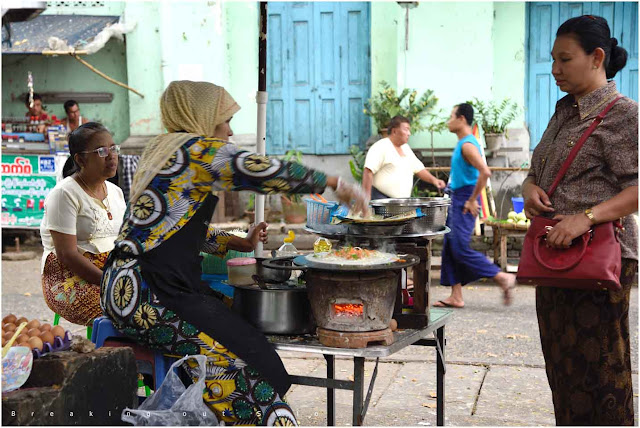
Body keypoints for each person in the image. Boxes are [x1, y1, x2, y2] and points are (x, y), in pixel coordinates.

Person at [100, 81, 369, 425]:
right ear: (202, 116)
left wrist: (232, 242)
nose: (230, 130)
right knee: (245, 362)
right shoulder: (197, 150)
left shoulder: (162, 150)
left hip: (126, 288)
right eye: (224, 120)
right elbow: (257, 168)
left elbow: (172, 226)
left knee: (242, 328)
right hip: (150, 297)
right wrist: (333, 184)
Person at [522, 15, 637, 425]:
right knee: (563, 372)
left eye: (565, 60)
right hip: (552, 259)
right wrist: (529, 187)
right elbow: (540, 169)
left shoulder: (623, 115)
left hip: (599, 262)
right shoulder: (563, 112)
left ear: (597, 57)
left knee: (601, 378)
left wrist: (585, 218)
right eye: (553, 59)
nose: (555, 70)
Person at [40, 123, 126, 326]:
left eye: (113, 148)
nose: (111, 156)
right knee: (124, 308)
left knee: (154, 297)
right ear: (80, 159)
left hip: (109, 272)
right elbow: (67, 255)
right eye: (102, 151)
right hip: (69, 278)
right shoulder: (64, 194)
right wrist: (109, 283)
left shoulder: (116, 192)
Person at [433, 103, 516, 308]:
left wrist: (471, 199)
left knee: (459, 249)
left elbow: (485, 172)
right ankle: (456, 295)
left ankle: (501, 277)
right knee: (450, 248)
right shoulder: (463, 143)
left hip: (464, 200)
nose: (448, 121)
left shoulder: (468, 145)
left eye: (451, 116)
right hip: (457, 198)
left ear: (461, 119)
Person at [362, 115, 445, 200]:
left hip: (402, 203)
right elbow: (368, 171)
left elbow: (419, 169)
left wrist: (434, 180)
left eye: (409, 130)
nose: (409, 133)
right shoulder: (381, 146)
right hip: (381, 199)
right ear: (394, 131)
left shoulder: (406, 148)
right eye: (406, 129)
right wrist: (366, 199)